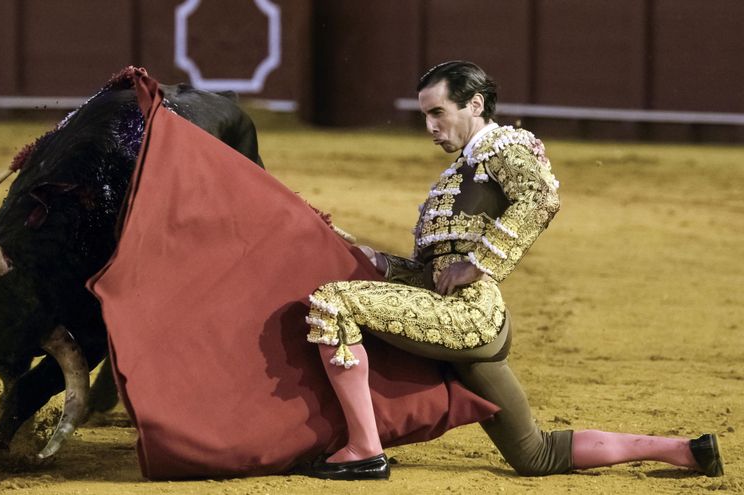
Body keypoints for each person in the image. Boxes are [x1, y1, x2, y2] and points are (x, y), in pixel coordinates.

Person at [300, 61, 723, 480]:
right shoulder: (464, 167)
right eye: (425, 115)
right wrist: (374, 257)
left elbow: (539, 197)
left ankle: (364, 449)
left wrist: (480, 264)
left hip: (468, 316)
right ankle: (686, 451)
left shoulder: (502, 146)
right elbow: (436, 269)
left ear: (475, 104)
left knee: (334, 302)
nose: (429, 125)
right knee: (534, 454)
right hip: (464, 321)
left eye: (437, 112)